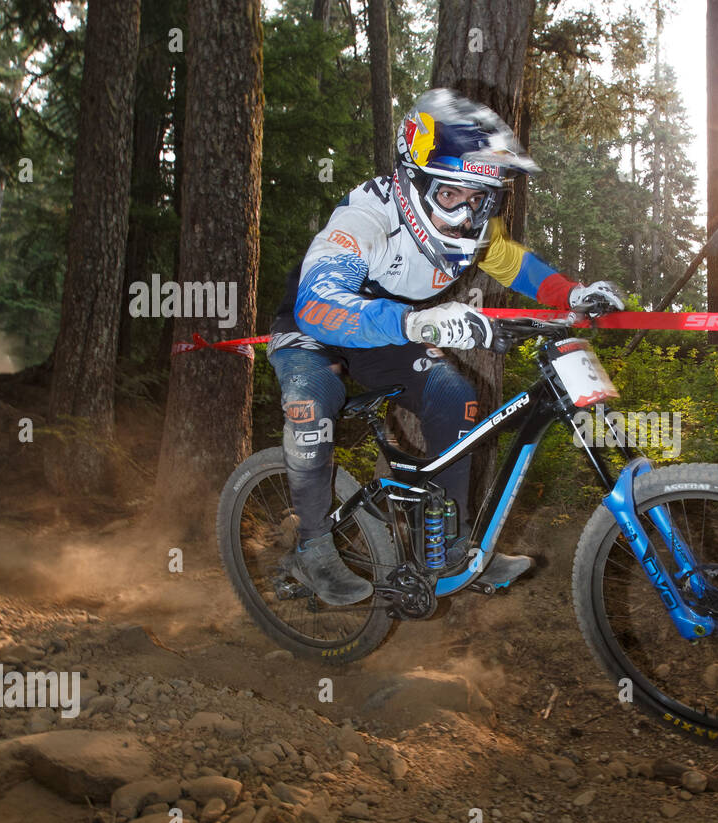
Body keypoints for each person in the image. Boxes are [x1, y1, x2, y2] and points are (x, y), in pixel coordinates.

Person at [267, 87, 624, 606]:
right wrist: (419, 323)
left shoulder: (474, 225)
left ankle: (450, 550)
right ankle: (312, 547)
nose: (465, 215)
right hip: (318, 328)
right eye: (450, 196)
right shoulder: (364, 219)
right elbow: (317, 305)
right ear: (412, 182)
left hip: (396, 330)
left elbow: (512, 262)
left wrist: (570, 293)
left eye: (481, 199)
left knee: (455, 397)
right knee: (312, 404)